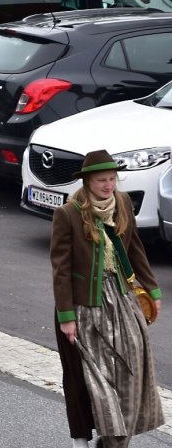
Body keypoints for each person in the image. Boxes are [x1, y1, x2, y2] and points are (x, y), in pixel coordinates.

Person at [51, 149, 163, 448]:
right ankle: (87, 439)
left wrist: (152, 289)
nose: (108, 185)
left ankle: (115, 440)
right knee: (95, 378)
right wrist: (66, 316)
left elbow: (135, 247)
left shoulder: (123, 203)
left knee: (132, 367)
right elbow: (61, 268)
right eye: (102, 180)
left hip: (122, 298)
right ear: (87, 181)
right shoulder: (69, 213)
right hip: (84, 305)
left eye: (112, 179)